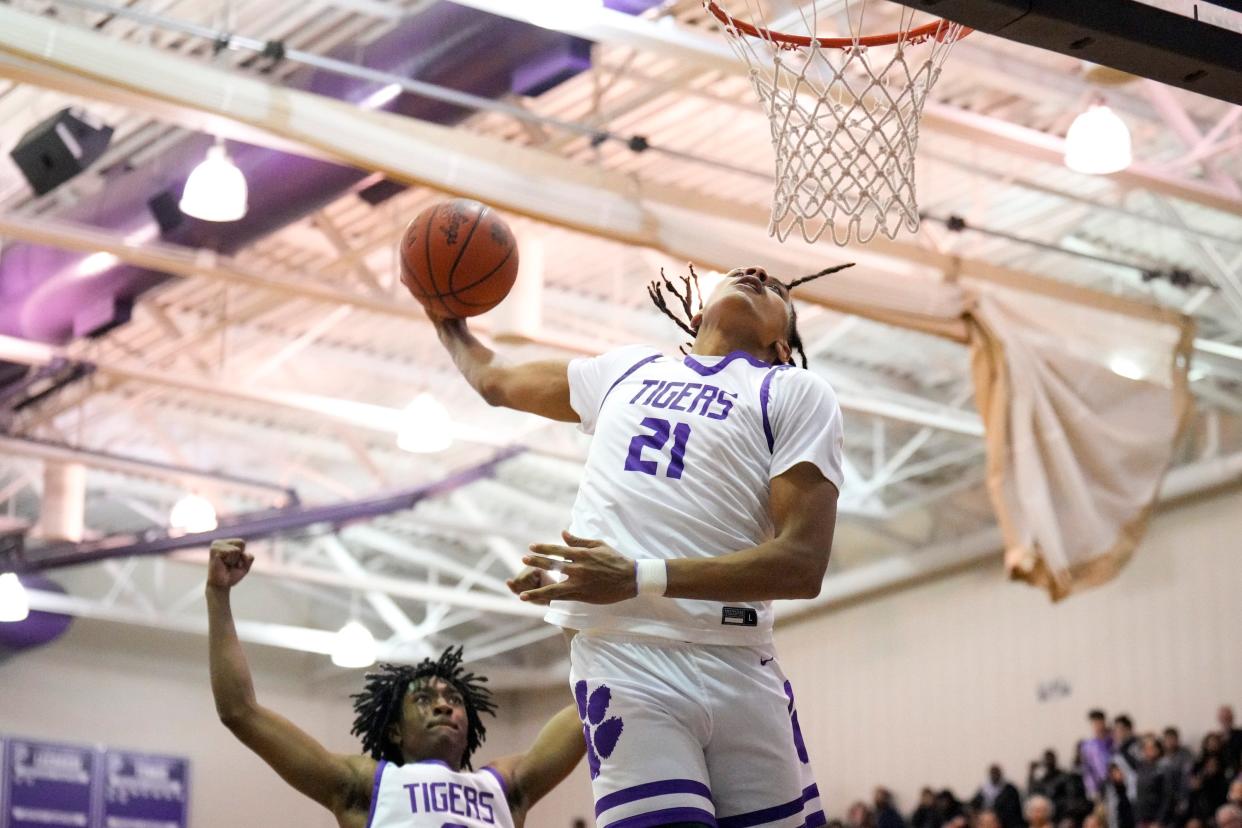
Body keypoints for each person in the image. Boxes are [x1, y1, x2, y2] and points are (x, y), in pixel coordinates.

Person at [430, 263, 846, 828]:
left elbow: (802, 565)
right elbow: (497, 380)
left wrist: (639, 575)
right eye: (743, 274)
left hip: (740, 662)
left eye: (776, 289)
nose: (755, 272)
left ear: (780, 344)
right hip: (626, 656)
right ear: (697, 314)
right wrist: (444, 317)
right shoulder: (629, 369)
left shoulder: (793, 392)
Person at [205, 538, 585, 828]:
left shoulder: (506, 787)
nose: (443, 704)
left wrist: (561, 605)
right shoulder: (365, 786)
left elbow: (595, 700)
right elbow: (240, 712)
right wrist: (218, 595)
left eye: (453, 698)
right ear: (395, 731)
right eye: (422, 698)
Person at [1082, 711, 1115, 800]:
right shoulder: (1088, 746)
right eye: (1094, 723)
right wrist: (1092, 789)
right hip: (1100, 784)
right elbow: (1088, 768)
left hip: (1116, 780)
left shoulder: (1113, 740)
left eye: (1099, 722)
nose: (1097, 726)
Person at [1219, 706, 1242, 778]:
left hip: (1237, 774)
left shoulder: (1239, 734)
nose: (1225, 720)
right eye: (1223, 717)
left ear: (1232, 718)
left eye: (1227, 717)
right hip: (1221, 776)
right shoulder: (1216, 738)